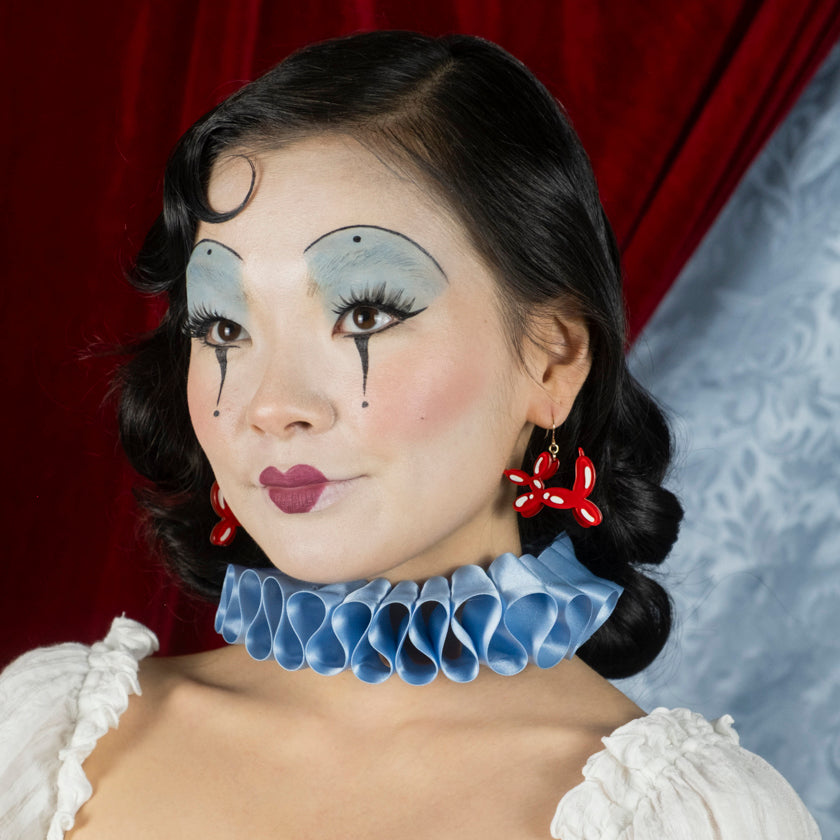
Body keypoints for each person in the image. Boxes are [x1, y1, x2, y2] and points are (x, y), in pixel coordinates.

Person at [0, 30, 821, 839]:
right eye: (222, 327)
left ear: (553, 360)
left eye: (364, 313)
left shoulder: (684, 819)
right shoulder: (49, 741)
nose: (271, 405)